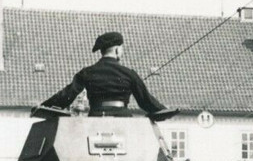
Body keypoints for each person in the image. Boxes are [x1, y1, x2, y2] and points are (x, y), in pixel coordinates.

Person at [41, 31, 175, 119]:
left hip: (96, 118)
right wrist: (163, 111)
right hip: (123, 120)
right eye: (121, 48)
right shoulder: (129, 74)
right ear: (117, 50)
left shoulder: (87, 72)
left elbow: (68, 94)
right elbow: (146, 101)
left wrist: (45, 106)